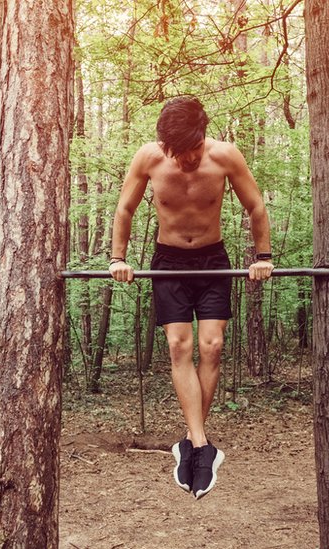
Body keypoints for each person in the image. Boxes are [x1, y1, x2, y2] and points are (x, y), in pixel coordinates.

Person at [109, 96, 273, 499]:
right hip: (168, 263)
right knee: (179, 346)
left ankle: (191, 442)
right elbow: (125, 209)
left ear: (203, 136)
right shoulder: (148, 158)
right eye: (176, 152)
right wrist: (118, 259)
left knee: (212, 346)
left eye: (192, 150)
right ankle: (200, 445)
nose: (185, 159)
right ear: (164, 144)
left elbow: (255, 206)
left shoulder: (225, 156)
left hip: (213, 261)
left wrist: (264, 257)